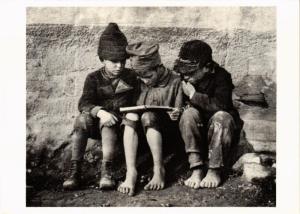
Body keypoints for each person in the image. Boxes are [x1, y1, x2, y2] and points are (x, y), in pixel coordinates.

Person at [63, 23, 137, 190]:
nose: (120, 66)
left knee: (109, 123)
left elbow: (136, 102)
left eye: (123, 61)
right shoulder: (93, 78)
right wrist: (99, 111)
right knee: (82, 119)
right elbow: (83, 103)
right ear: (102, 59)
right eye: (114, 62)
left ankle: (107, 171)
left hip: (120, 126)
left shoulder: (131, 77)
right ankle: (75, 171)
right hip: (96, 125)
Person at [174, 40, 243, 189]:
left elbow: (221, 105)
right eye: (183, 73)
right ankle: (196, 168)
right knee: (188, 114)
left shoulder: (222, 76)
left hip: (219, 135)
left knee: (222, 117)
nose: (185, 77)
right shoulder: (185, 78)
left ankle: (214, 170)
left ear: (206, 67)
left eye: (190, 73)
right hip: (197, 137)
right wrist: (176, 109)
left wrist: (193, 95)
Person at [117, 42, 183, 196]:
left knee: (148, 116)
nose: (145, 81)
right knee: (132, 115)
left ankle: (159, 169)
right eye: (141, 77)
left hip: (165, 135)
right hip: (140, 136)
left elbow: (181, 110)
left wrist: (176, 113)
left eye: (148, 76)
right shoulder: (137, 81)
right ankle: (131, 172)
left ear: (158, 67)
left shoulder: (175, 81)